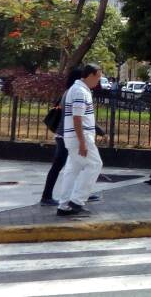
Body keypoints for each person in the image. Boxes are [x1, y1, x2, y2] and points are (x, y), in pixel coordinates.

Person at [40, 69, 104, 207]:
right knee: (64, 165)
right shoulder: (75, 92)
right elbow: (76, 117)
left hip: (65, 134)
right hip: (66, 135)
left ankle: (79, 194)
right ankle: (48, 196)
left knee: (77, 165)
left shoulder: (70, 92)